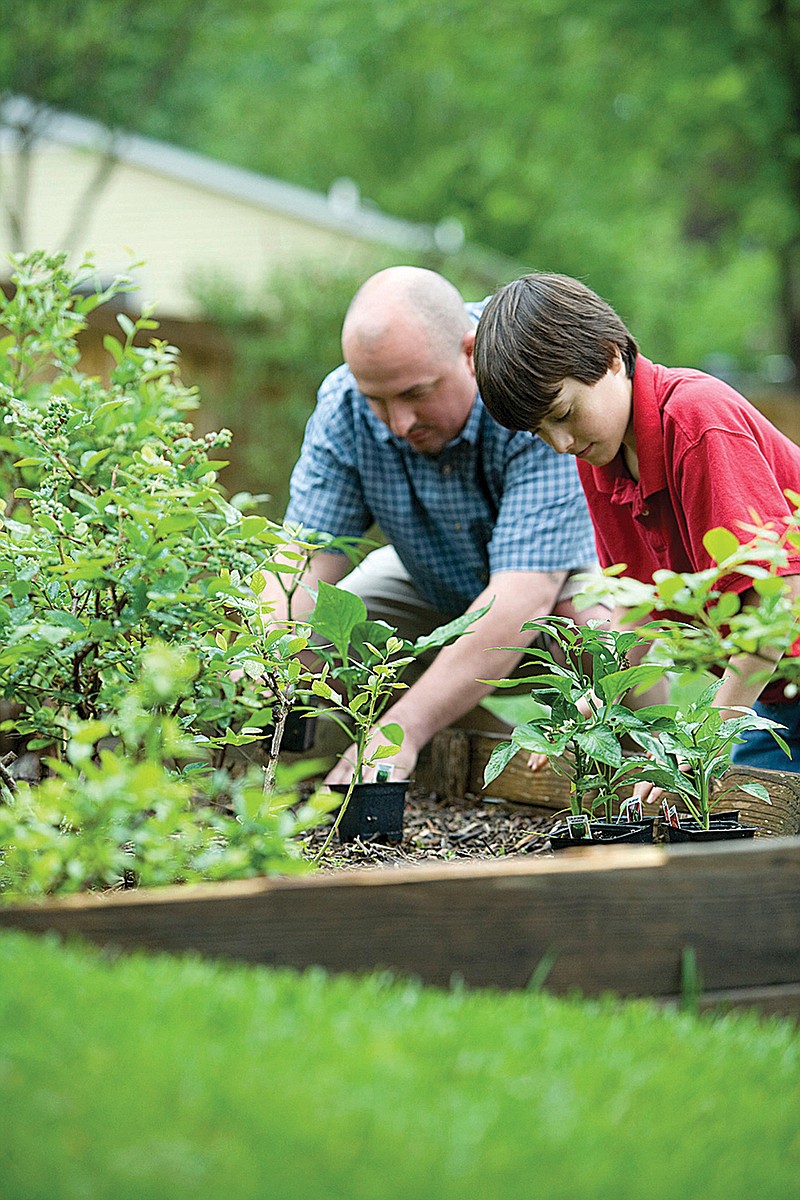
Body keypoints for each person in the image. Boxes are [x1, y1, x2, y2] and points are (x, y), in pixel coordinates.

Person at [263, 265, 607, 784]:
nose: (398, 423)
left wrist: (402, 728)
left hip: (554, 591)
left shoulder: (525, 382)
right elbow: (303, 561)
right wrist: (270, 648)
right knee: (326, 630)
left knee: (599, 629)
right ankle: (465, 747)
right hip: (432, 586)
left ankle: (629, 775)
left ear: (469, 353)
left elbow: (522, 598)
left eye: (416, 394)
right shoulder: (343, 406)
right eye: (377, 399)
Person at [472, 271, 800, 770]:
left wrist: (698, 742)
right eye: (538, 432)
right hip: (777, 692)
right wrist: (599, 703)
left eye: (561, 414)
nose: (559, 443)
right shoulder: (599, 458)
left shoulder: (695, 420)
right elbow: (634, 607)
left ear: (610, 356)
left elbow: (780, 597)